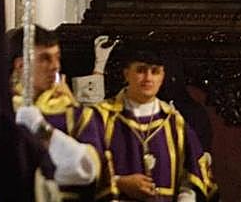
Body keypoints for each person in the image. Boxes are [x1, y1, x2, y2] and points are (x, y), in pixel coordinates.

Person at [78, 44, 217, 201]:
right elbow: (78, 171)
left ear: (163, 76)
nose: (148, 78)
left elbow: (193, 179)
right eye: (141, 70)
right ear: (126, 74)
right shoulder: (101, 118)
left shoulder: (175, 123)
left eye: (155, 71)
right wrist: (119, 183)